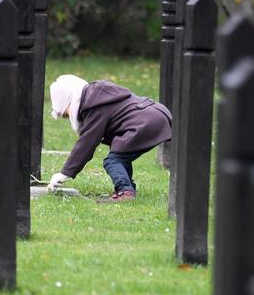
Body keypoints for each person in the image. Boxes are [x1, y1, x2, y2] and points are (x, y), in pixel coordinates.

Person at [47, 74, 172, 202]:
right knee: (121, 156)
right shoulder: (97, 97)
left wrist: (65, 173)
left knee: (113, 161)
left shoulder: (94, 106)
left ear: (69, 101)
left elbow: (87, 143)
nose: (68, 118)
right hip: (156, 113)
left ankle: (126, 193)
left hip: (145, 122)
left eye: (66, 114)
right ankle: (127, 188)